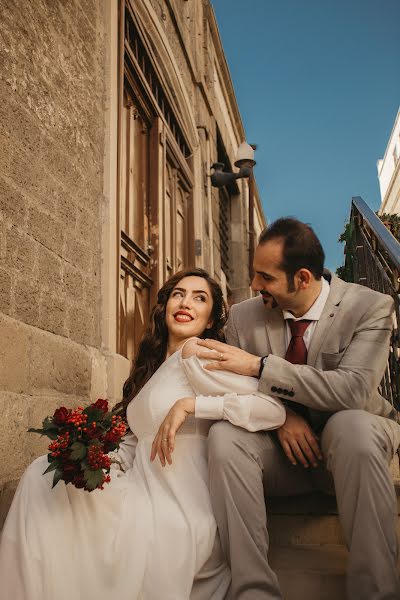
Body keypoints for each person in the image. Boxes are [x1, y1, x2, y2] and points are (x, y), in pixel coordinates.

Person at [0, 268, 285, 600]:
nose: (186, 302)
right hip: (141, 486)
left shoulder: (198, 352)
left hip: (182, 499)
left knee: (47, 487)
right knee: (43, 474)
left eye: (200, 297)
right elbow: (137, 442)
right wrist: (91, 456)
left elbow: (272, 408)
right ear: (164, 306)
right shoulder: (153, 368)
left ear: (210, 320)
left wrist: (193, 405)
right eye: (178, 294)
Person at [196, 218, 400, 600]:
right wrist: (282, 417)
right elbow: (233, 387)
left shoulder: (369, 307)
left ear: (302, 278)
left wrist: (260, 367)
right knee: (224, 437)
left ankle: (375, 592)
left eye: (265, 277)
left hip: (353, 452)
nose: (255, 286)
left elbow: (354, 390)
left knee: (352, 426)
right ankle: (253, 591)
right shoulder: (243, 316)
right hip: (279, 456)